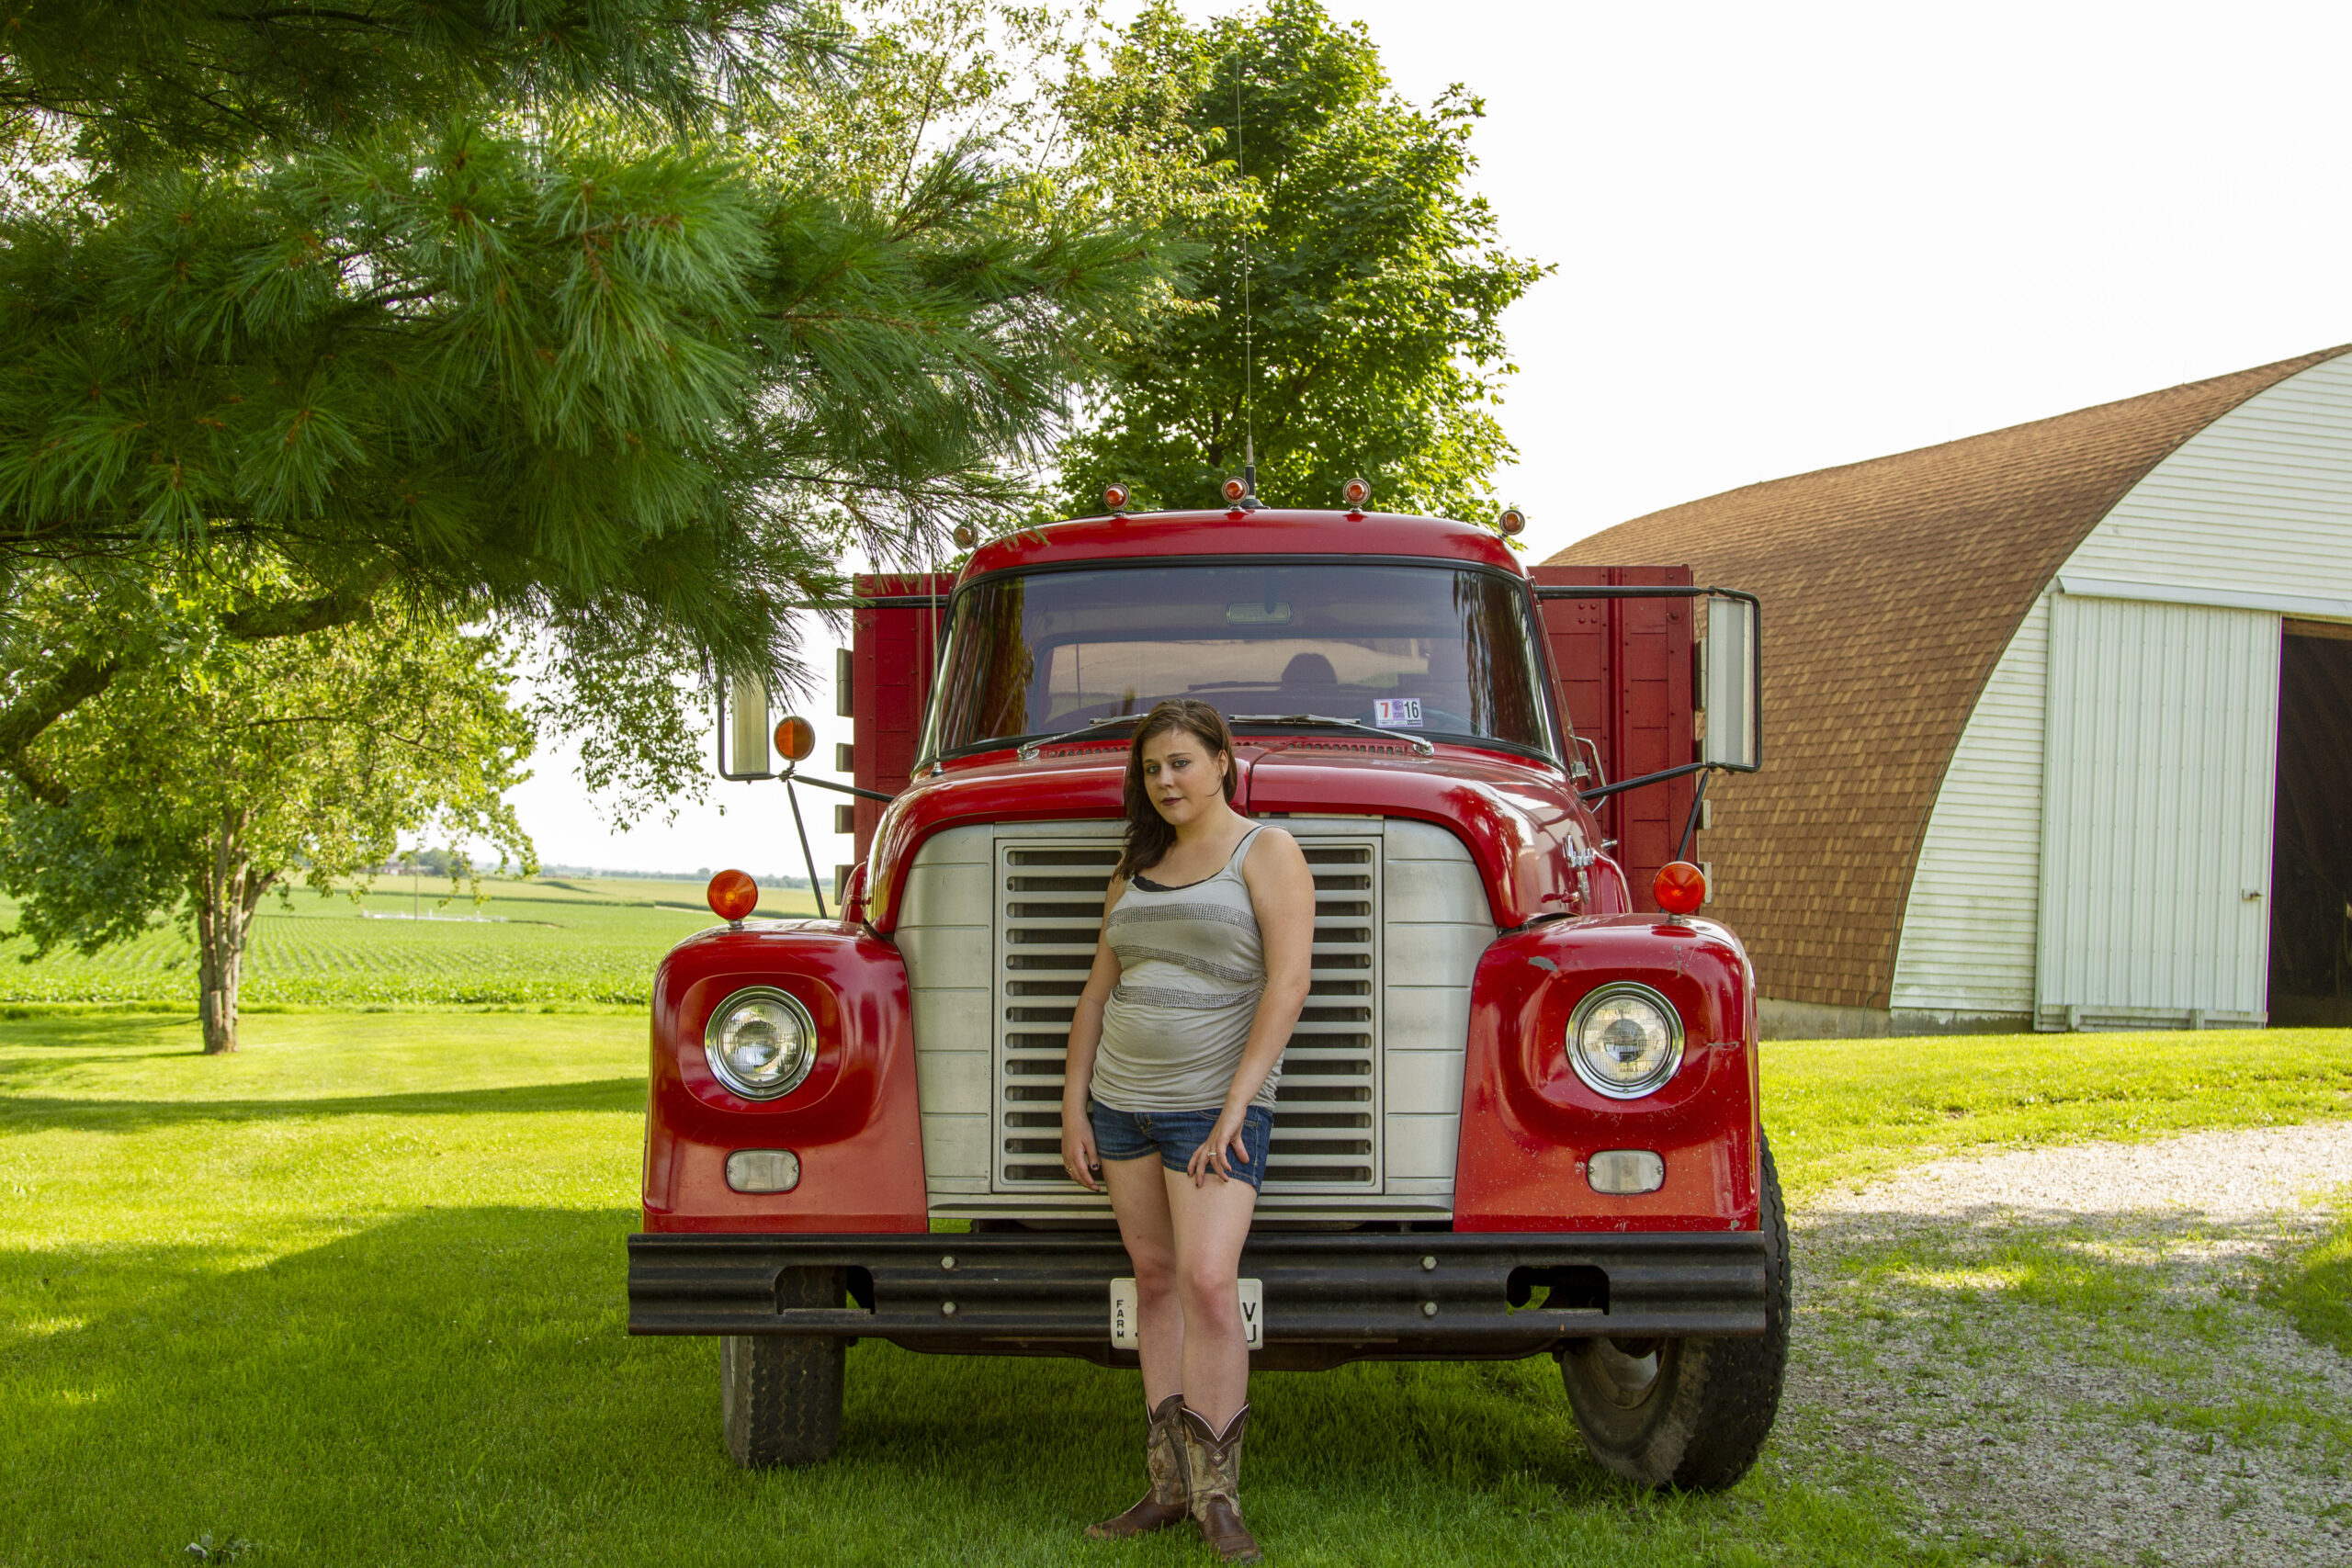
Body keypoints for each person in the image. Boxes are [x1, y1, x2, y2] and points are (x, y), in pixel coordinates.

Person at [1060, 698, 1315, 1563]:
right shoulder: (1134, 867)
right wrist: (1073, 1104)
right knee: (1157, 1278)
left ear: (1221, 762)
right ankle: (1167, 1488)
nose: (1165, 780)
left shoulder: (1265, 851)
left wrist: (1242, 1100)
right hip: (1121, 1103)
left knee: (1210, 1280)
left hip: (1214, 1109)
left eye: (1180, 762)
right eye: (1151, 767)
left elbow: (1287, 984)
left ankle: (1219, 1496)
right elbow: (1099, 990)